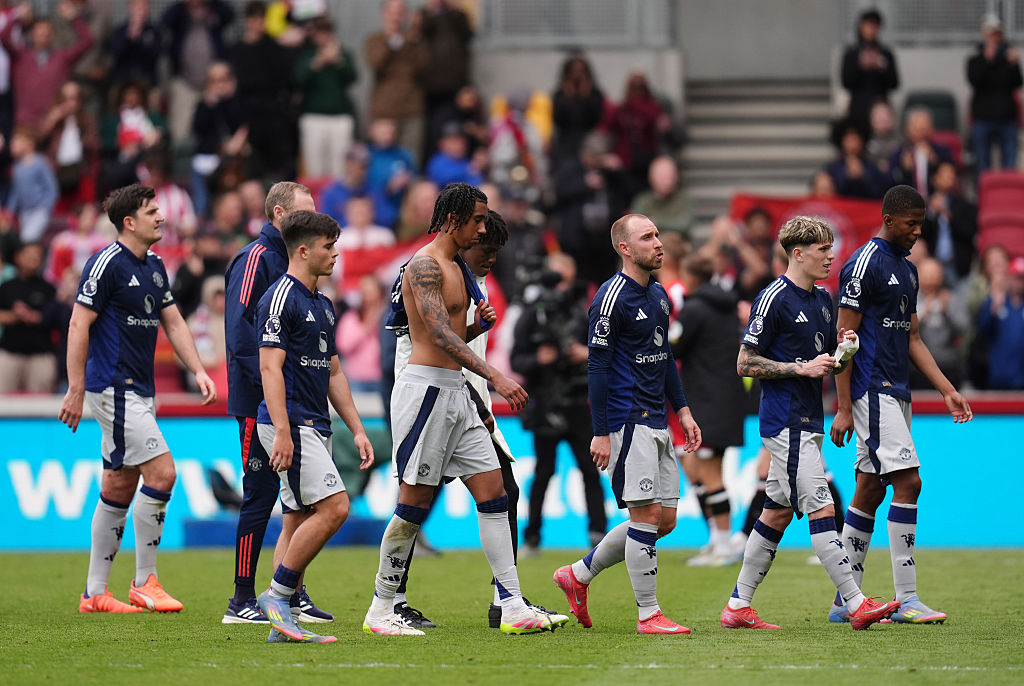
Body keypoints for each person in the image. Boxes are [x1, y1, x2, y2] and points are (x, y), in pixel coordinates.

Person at [363, 182, 559, 636]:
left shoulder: (456, 268)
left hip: (456, 393)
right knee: (414, 503)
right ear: (453, 220)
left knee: (495, 493)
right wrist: (496, 375)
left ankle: (509, 603)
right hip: (426, 393)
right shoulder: (425, 266)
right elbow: (434, 337)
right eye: (477, 220)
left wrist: (474, 325)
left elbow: (451, 330)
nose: (483, 227)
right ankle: (382, 607)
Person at [718, 215, 899, 631]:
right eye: (822, 250)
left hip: (808, 421)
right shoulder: (773, 298)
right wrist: (798, 369)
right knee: (823, 506)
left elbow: (825, 362)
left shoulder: (822, 300)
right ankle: (854, 602)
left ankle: (738, 605)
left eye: (831, 249)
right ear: (797, 253)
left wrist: (845, 353)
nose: (831, 256)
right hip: (784, 422)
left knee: (776, 514)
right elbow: (745, 362)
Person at [58, 183, 217, 613]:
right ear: (129, 222)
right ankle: (145, 580)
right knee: (163, 474)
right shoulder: (107, 263)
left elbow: (175, 322)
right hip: (114, 387)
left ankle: (94, 593)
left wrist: (198, 369)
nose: (161, 217)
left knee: (120, 482)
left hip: (139, 391)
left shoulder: (155, 266)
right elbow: (78, 325)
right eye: (152, 212)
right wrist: (75, 388)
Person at [829, 185, 973, 624]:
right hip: (871, 388)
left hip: (898, 392)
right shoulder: (863, 266)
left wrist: (946, 388)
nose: (916, 231)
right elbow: (844, 340)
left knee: (870, 490)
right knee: (910, 483)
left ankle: (844, 600)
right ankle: (907, 599)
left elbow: (911, 338)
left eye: (920, 224)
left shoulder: (908, 272)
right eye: (910, 223)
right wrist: (843, 406)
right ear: (888, 219)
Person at [553, 213, 701, 635]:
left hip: (658, 417)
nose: (659, 243)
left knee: (664, 519)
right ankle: (648, 615)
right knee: (645, 515)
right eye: (648, 237)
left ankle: (578, 576)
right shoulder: (610, 297)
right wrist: (600, 430)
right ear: (625, 248)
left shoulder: (657, 294)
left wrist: (684, 411)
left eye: (658, 234)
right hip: (625, 419)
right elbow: (596, 367)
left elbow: (666, 359)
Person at [254, 210, 374, 644]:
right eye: (328, 246)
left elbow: (334, 373)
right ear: (303, 250)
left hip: (315, 424)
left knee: (296, 519)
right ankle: (279, 595)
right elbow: (270, 368)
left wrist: (357, 429)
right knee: (336, 507)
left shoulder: (323, 303)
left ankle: (282, 626)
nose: (336, 253)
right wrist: (282, 431)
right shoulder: (280, 298)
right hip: (292, 425)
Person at [222, 181, 338, 626]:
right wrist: (275, 395)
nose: (311, 219)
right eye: (302, 213)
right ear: (277, 214)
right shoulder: (256, 259)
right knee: (261, 494)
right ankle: (242, 598)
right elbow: (241, 337)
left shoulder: (297, 267)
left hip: (288, 401)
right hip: (259, 401)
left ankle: (292, 591)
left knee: (298, 503)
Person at [512, 252, 607, 554]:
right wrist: (537, 360)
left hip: (577, 401)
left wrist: (587, 353)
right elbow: (517, 358)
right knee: (543, 472)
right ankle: (532, 537)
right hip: (546, 402)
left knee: (590, 470)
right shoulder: (532, 314)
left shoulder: (583, 312)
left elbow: (605, 351)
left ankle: (597, 533)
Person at [672, 254, 746, 567]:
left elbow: (673, 347)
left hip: (707, 401)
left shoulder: (695, 310)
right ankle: (718, 542)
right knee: (705, 471)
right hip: (728, 400)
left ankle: (723, 546)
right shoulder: (728, 308)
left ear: (690, 276)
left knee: (711, 474)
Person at [0, 242, 60, 393]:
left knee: (41, 406)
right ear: (18, 257)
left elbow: (51, 318)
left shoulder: (48, 288)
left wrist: (32, 316)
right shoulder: (7, 286)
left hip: (40, 355)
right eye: (29, 256)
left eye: (37, 257)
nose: (33, 260)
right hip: (9, 354)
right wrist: (16, 315)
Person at [967, 12, 1023, 172]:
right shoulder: (975, 59)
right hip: (983, 119)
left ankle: (1009, 196)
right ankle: (983, 197)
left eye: (997, 33)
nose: (994, 37)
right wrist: (987, 60)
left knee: (1010, 165)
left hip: (1007, 119)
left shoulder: (1009, 57)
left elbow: (1018, 82)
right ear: (984, 34)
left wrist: (1014, 64)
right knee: (983, 165)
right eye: (991, 33)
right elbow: (974, 80)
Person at [841, 8, 898, 128]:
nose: (871, 30)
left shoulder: (886, 53)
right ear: (861, 27)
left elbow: (895, 83)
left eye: (874, 26)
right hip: (858, 108)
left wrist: (881, 66)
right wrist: (860, 65)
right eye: (867, 26)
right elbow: (845, 82)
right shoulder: (851, 54)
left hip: (880, 110)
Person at [976, 255, 1024, 390]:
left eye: (1022, 279)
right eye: (1017, 278)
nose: (1019, 283)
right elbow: (982, 331)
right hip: (999, 376)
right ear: (1009, 278)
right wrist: (993, 309)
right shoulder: (996, 301)